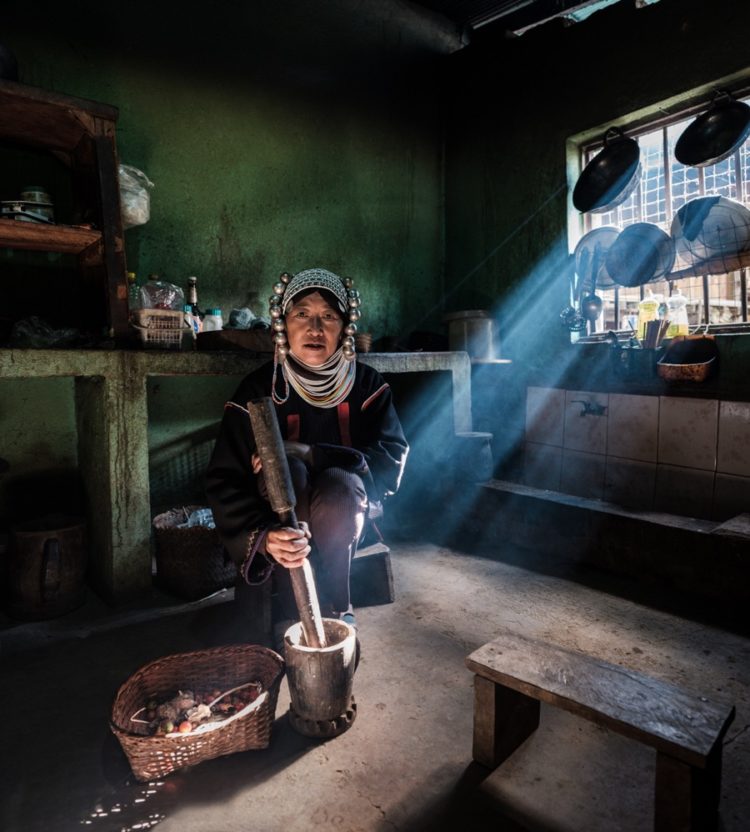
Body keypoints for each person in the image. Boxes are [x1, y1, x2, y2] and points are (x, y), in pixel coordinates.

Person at [205, 267, 408, 638]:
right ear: (283, 325)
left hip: (346, 520)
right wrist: (264, 537)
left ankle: (335, 607)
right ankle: (292, 603)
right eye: (302, 314)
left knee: (339, 489)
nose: (315, 328)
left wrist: (307, 451)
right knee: (290, 477)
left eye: (328, 316)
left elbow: (389, 458)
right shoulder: (256, 389)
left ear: (344, 329)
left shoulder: (366, 385)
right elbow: (224, 478)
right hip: (278, 529)